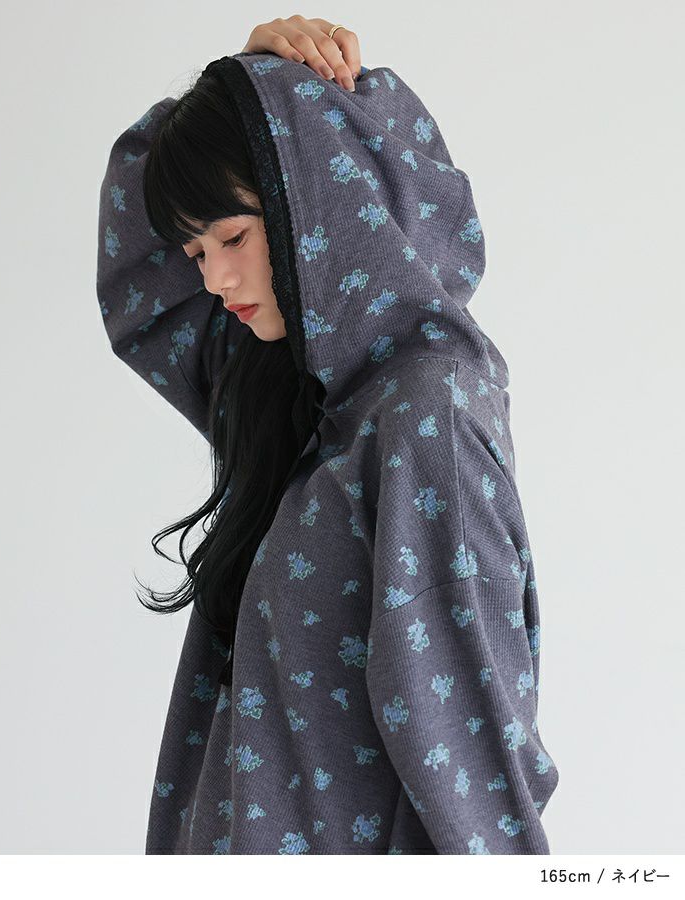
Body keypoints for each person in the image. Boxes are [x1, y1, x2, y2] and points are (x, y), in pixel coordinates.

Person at [95, 26, 559, 855]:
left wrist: (268, 99)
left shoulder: (424, 419)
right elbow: (139, 289)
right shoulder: (301, 398)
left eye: (233, 237)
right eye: (196, 250)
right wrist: (239, 90)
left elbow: (469, 755)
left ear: (318, 197)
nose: (212, 278)